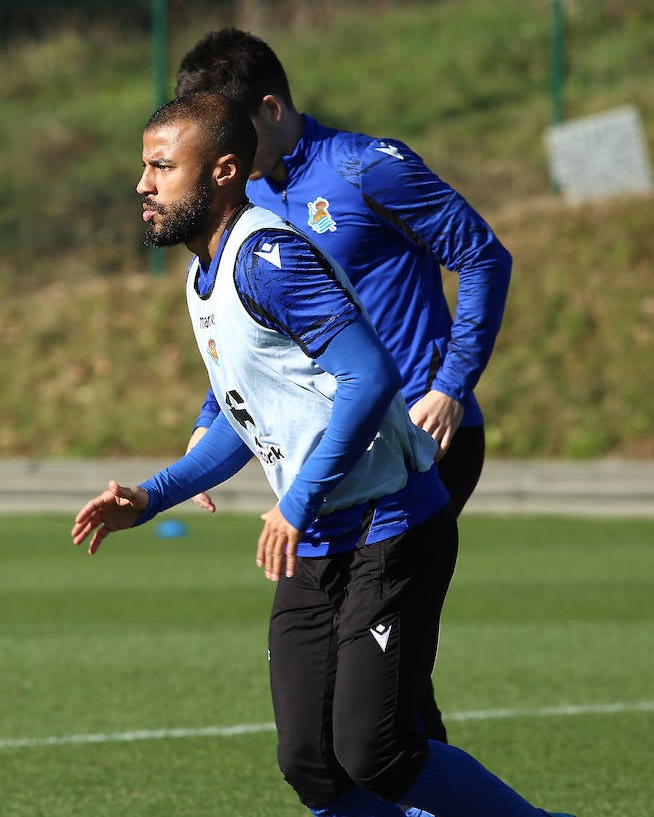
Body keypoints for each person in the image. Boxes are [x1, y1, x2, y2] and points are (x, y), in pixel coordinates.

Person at [72, 91, 570, 817]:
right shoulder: (204, 274)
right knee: (311, 763)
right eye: (145, 166)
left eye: (161, 166)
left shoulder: (267, 258)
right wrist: (153, 497)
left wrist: (297, 502)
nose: (142, 184)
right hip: (317, 543)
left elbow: (369, 376)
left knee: (378, 751)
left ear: (223, 171)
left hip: (390, 528)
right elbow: (248, 421)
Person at [175, 27, 513, 746]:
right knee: (364, 682)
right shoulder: (246, 202)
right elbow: (251, 332)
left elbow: (483, 254)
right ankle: (401, 783)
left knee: (379, 675)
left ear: (270, 109)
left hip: (422, 434)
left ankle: (419, 785)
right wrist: (213, 421)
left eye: (231, 128)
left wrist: (453, 384)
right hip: (330, 446)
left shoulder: (364, 167)